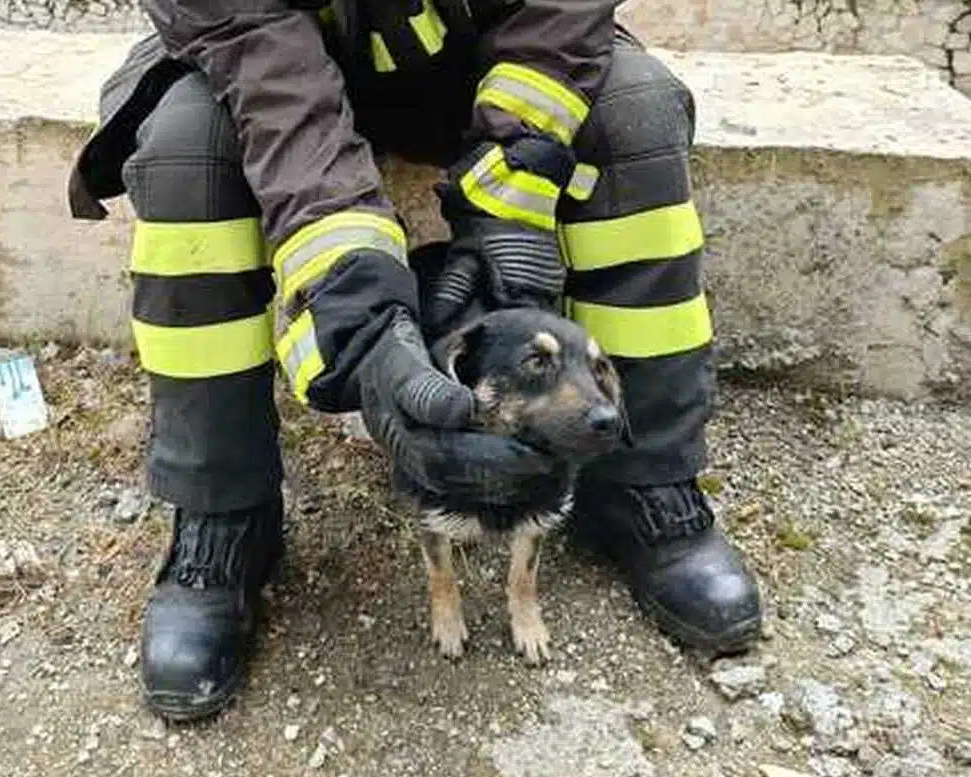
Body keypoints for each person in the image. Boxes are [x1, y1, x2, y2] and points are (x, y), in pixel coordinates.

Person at [67, 0, 764, 722]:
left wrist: (510, 187)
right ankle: (223, 513)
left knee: (635, 117)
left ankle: (642, 479)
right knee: (188, 154)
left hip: (487, 47)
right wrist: (359, 317)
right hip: (260, 63)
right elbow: (252, 46)